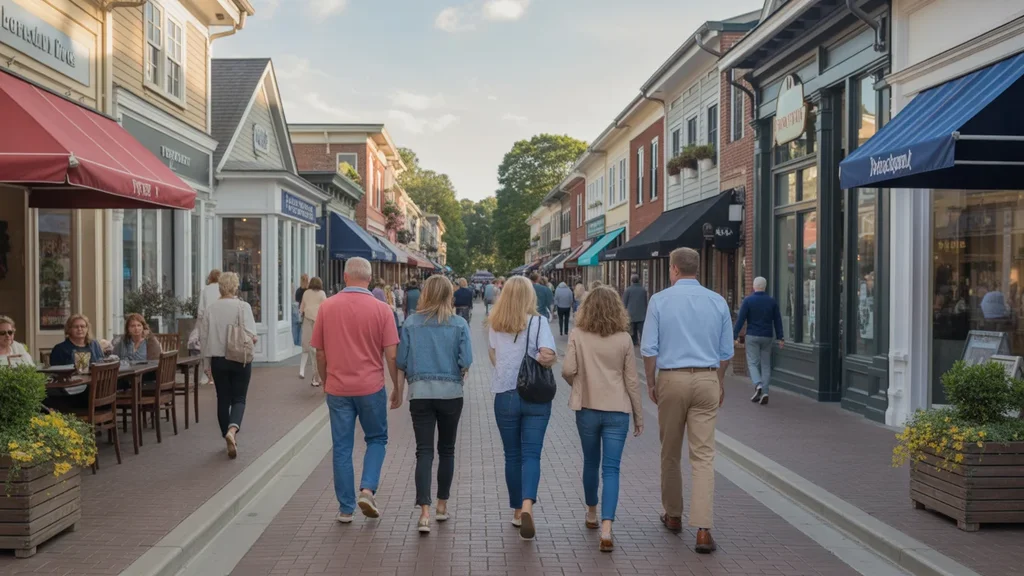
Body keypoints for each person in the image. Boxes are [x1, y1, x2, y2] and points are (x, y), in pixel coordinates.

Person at [641, 247, 732, 554]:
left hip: (672, 378)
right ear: (697, 269)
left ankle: (674, 514)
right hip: (706, 377)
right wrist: (717, 381)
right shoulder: (717, 301)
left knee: (670, 451)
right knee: (704, 456)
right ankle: (704, 529)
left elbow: (649, 348)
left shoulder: (660, 300)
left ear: (675, 269)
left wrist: (651, 382)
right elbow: (726, 352)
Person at [312, 257, 400, 524]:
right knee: (376, 439)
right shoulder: (383, 310)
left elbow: (319, 352)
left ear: (346, 277)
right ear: (370, 279)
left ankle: (346, 508)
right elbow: (391, 354)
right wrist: (397, 385)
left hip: (338, 388)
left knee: (341, 447)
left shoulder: (327, 308)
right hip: (371, 386)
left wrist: (327, 381)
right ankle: (367, 488)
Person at [562, 287, 643, 552]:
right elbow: (632, 381)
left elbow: (567, 369)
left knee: (590, 462)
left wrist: (577, 383)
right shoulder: (623, 339)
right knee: (612, 469)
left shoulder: (578, 335)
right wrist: (638, 416)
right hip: (617, 410)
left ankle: (591, 513)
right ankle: (607, 529)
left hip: (587, 407)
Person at [396, 276, 473, 534]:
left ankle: (424, 512)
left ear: (426, 294)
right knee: (447, 450)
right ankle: (442, 505)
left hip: (419, 393)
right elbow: (467, 359)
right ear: (449, 295)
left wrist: (400, 387)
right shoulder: (459, 324)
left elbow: (402, 360)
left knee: (424, 451)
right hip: (451, 392)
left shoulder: (411, 323)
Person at [487, 276, 556, 540]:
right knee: (531, 454)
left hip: (504, 393)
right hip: (535, 395)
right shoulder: (538, 322)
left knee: (511, 455)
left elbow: (494, 354)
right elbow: (547, 355)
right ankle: (528, 504)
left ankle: (517, 511)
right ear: (530, 297)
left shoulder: (495, 322)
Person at [198, 272, 258, 459]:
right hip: (240, 359)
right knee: (239, 398)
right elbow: (252, 335)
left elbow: (204, 338)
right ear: (235, 287)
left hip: (218, 360)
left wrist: (206, 365)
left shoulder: (211, 309)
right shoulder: (243, 306)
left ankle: (226, 434)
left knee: (223, 398)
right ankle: (232, 431)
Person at [733, 276, 785, 405]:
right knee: (766, 365)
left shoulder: (748, 301)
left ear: (754, 287)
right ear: (765, 287)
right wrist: (781, 337)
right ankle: (765, 392)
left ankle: (758, 384)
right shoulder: (772, 301)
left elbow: (741, 320)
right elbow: (777, 320)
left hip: (752, 335)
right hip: (767, 336)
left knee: (752, 363)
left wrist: (734, 336)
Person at [299, 277, 328, 386]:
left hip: (307, 320)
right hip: (318, 321)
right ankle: (317, 377)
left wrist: (301, 313)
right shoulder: (322, 293)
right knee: (317, 348)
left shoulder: (306, 293)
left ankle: (314, 375)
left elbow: (302, 307)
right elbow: (325, 307)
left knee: (308, 347)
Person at [197, 269, 223, 384]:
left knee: (206, 350)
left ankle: (206, 375)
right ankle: (218, 375)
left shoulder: (205, 290)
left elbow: (200, 310)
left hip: (207, 323)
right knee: (219, 349)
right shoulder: (222, 290)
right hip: (221, 323)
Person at [622, 275, 649, 346]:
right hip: (641, 314)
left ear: (631, 281)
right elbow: (645, 302)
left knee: (632, 330)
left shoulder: (628, 290)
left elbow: (624, 302)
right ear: (639, 280)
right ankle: (644, 343)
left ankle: (634, 342)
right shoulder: (643, 290)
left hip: (631, 314)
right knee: (641, 330)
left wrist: (624, 312)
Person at [293, 274, 309, 347]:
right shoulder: (308, 291)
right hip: (306, 312)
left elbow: (296, 299)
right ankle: (300, 344)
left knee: (298, 328)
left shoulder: (299, 290)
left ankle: (297, 344)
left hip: (300, 311)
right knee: (303, 330)